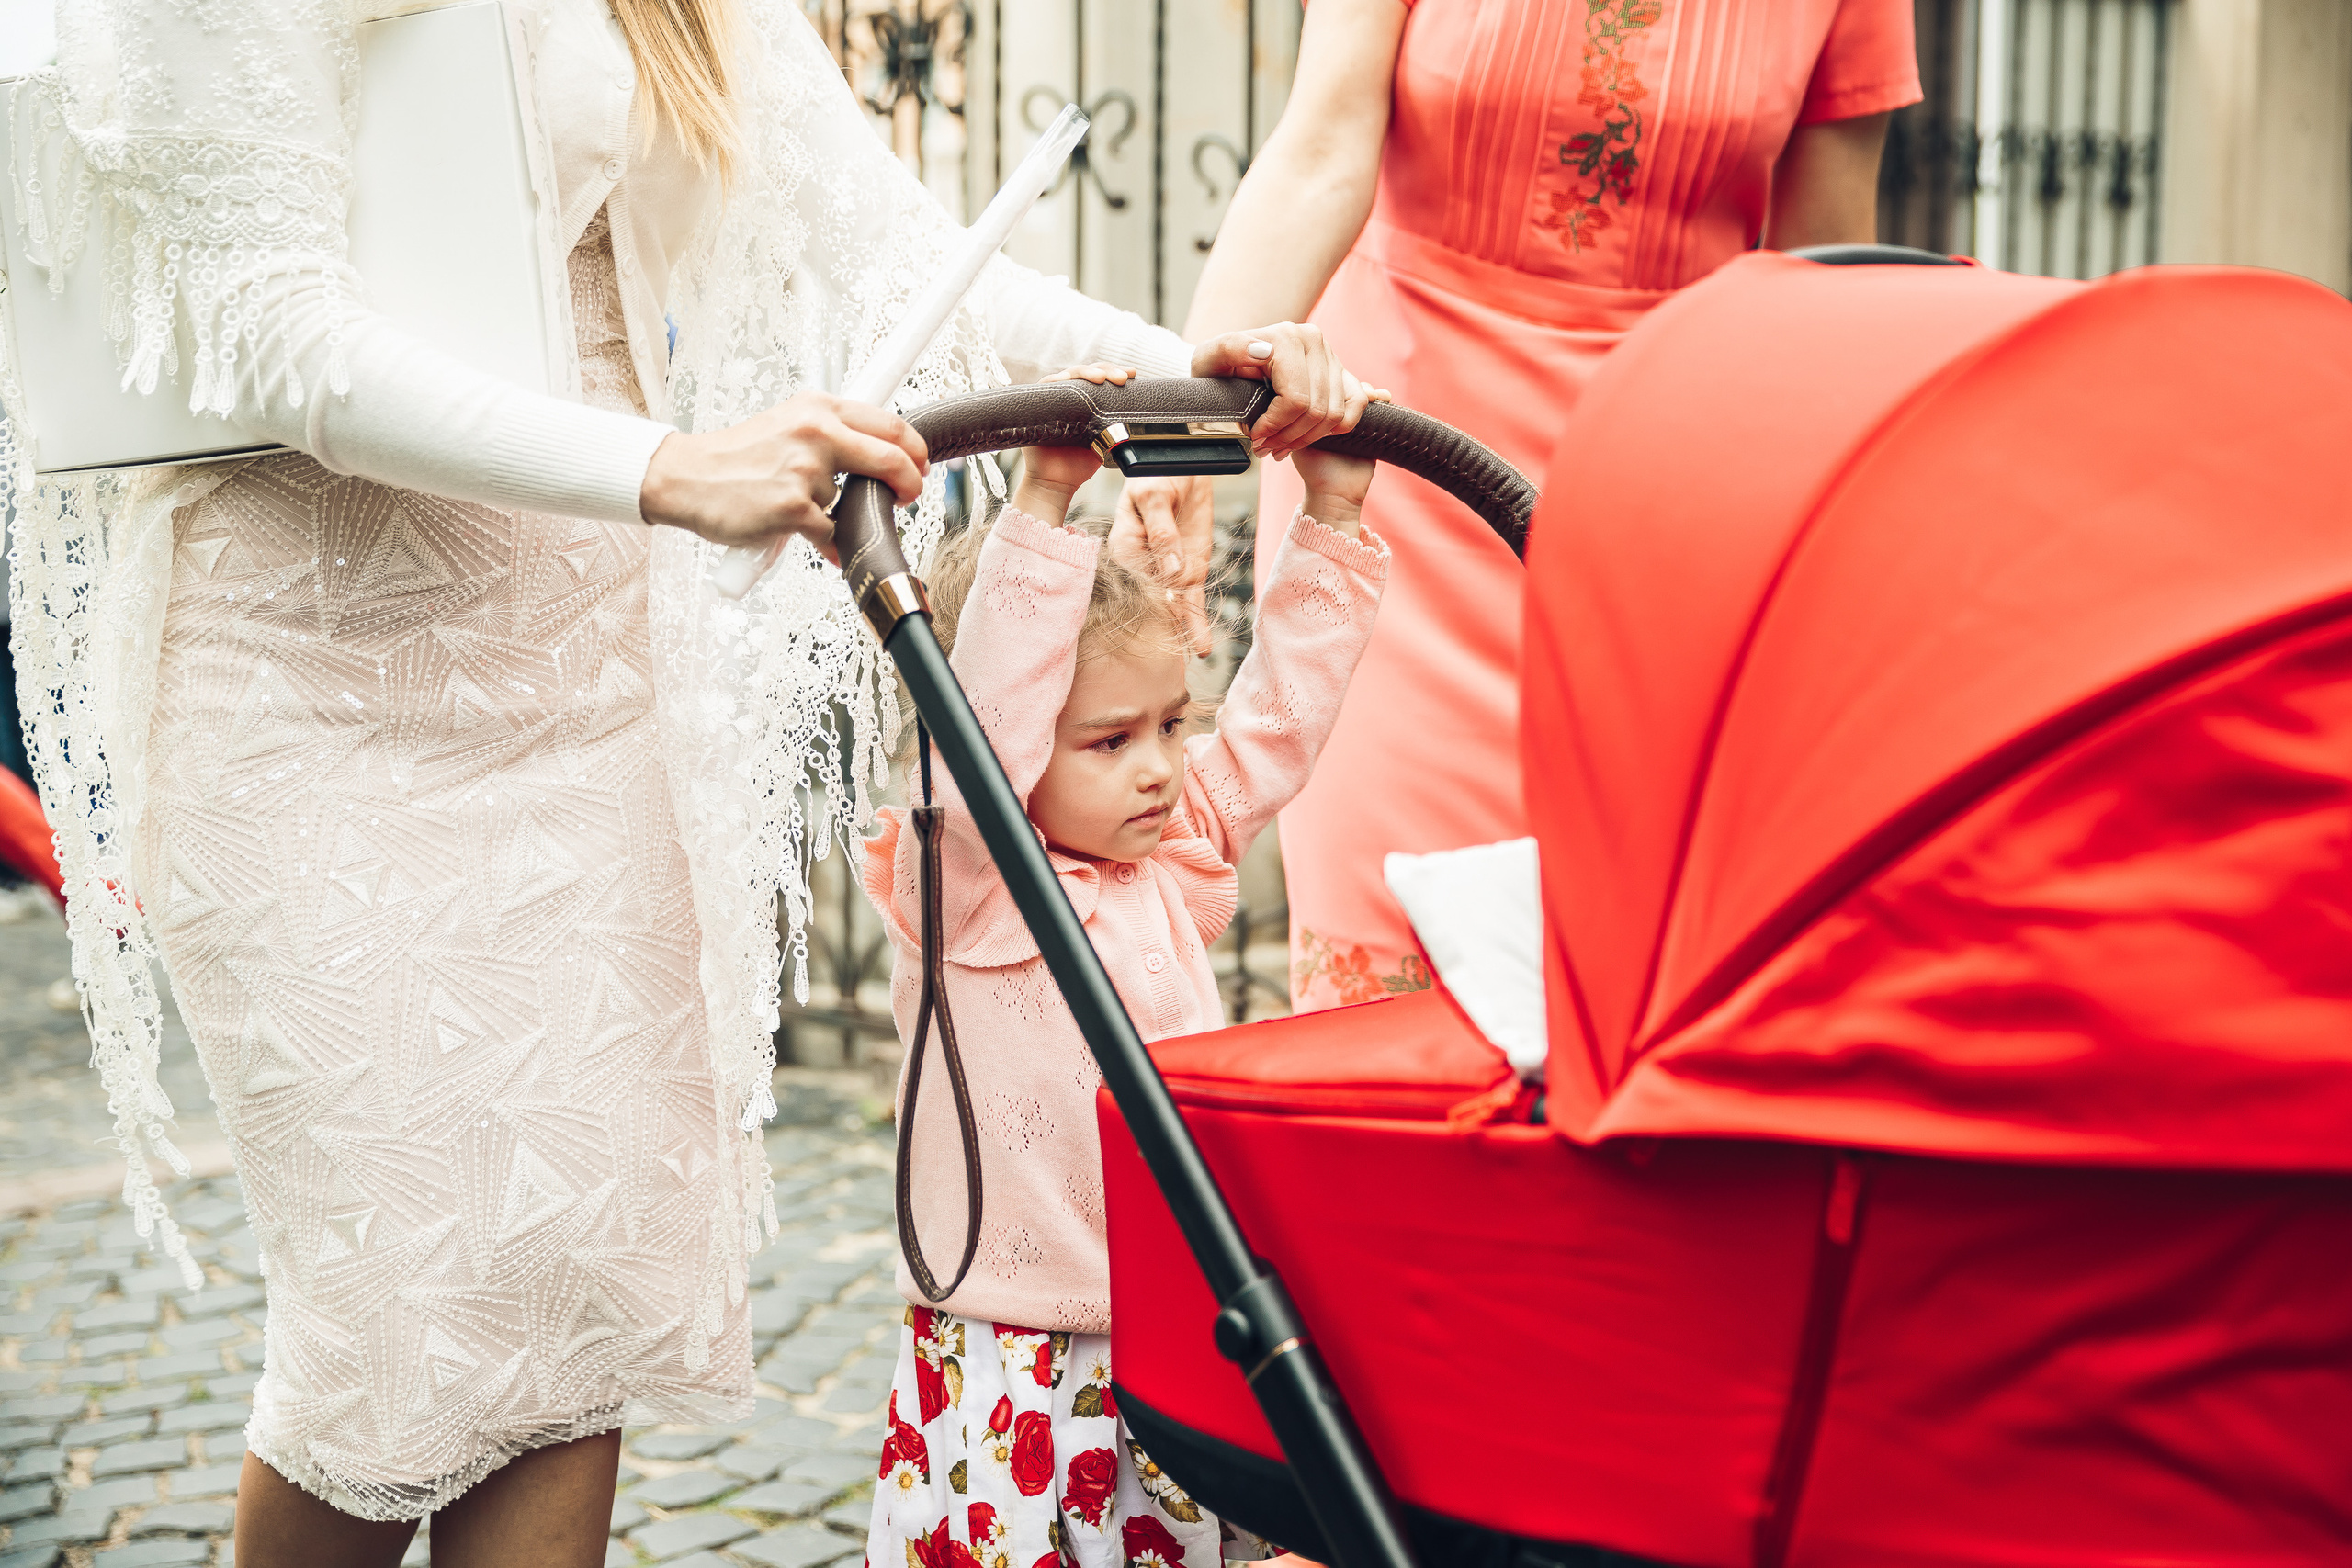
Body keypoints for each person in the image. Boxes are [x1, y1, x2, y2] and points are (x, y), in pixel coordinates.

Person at [0, 1, 1378, 1562]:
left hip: (580, 661)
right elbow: (267, 328)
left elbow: (889, 238)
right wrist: (668, 468)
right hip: (308, 667)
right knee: (387, 1328)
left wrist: (1178, 374)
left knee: (570, 1321)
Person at [1167, 0, 1922, 1006]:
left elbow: (1823, 285)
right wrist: (1182, 434)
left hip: (1673, 507)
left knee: (1624, 967)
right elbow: (1318, 149)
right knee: (1389, 958)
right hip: (1406, 475)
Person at [858, 367, 1385, 1568]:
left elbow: (1277, 722)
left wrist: (1337, 515)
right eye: (1109, 739)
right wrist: (1045, 500)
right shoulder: (978, 885)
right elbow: (985, 715)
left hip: (1174, 1324)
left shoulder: (1162, 853)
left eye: (1167, 725)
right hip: (1030, 1347)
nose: (1159, 767)